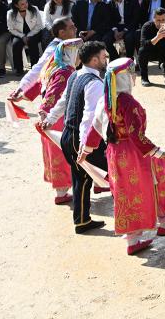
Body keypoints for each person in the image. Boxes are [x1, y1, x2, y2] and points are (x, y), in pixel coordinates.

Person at [88, 57, 165, 255]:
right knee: (159, 181)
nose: (134, 76)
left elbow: (96, 126)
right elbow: (135, 135)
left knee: (125, 194)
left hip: (114, 153)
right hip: (134, 153)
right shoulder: (127, 101)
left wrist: (86, 149)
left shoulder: (107, 99)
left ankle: (134, 238)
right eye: (131, 73)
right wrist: (158, 152)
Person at [42, 41, 112, 234]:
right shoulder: (94, 83)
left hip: (68, 136)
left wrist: (50, 119)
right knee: (114, 172)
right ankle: (131, 217)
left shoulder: (75, 75)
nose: (106, 60)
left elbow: (63, 101)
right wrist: (85, 146)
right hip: (78, 140)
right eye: (103, 57)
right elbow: (89, 117)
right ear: (94, 60)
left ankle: (82, 221)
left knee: (81, 179)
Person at [31, 37, 81, 205]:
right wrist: (46, 112)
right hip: (57, 118)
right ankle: (62, 193)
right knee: (63, 153)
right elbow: (54, 94)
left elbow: (38, 86)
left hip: (51, 117)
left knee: (56, 154)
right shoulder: (67, 71)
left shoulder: (53, 67)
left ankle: (62, 191)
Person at [137, 8, 165, 84]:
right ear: (153, 19)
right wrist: (157, 37)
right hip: (151, 52)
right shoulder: (147, 26)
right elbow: (143, 44)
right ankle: (144, 78)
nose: (161, 22)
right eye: (158, 20)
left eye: (163, 20)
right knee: (142, 52)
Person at [6, 0, 45, 76]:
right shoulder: (10, 13)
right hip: (19, 34)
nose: (25, 5)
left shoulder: (34, 9)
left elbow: (39, 25)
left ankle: (34, 68)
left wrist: (29, 35)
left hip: (34, 32)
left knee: (32, 42)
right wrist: (22, 36)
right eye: (22, 4)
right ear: (16, 5)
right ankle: (19, 69)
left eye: (26, 2)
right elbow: (11, 29)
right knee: (16, 44)